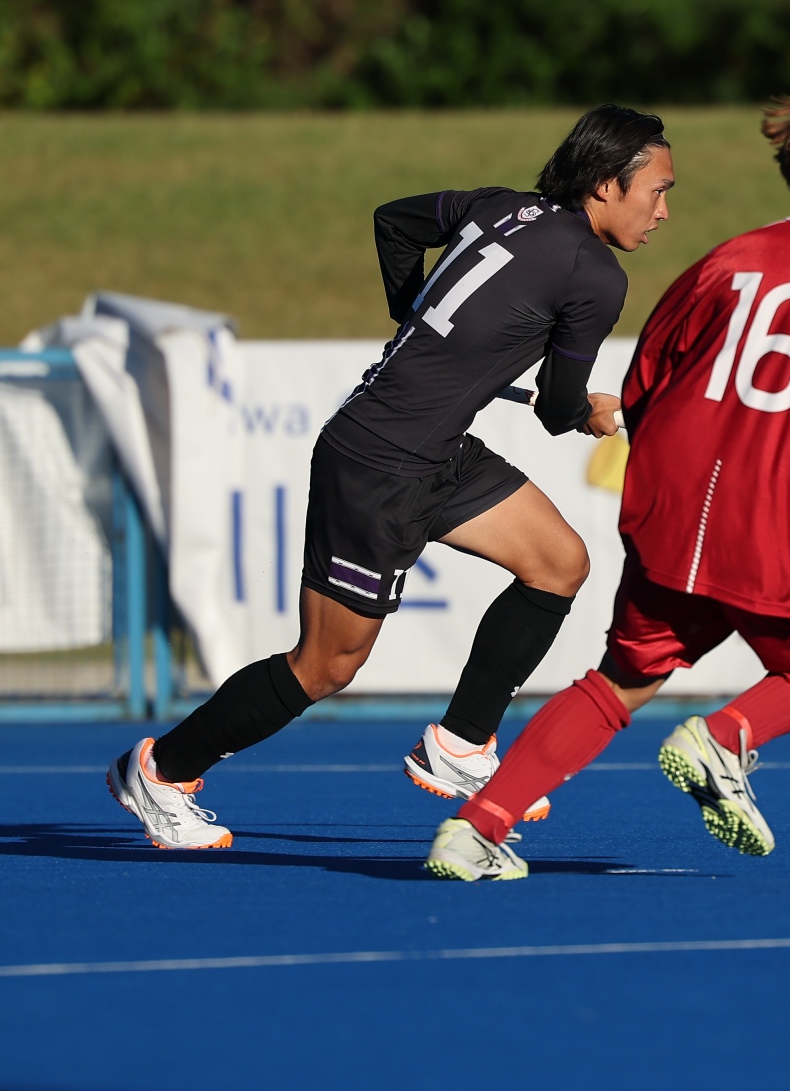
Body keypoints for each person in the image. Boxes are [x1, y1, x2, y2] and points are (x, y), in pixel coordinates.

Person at [425, 88, 790, 881]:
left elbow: (646, 384)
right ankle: (725, 739)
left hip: (669, 509)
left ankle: (475, 829)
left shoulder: (726, 258)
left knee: (624, 679)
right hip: (773, 529)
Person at [107, 106, 674, 848]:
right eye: (657, 191)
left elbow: (395, 222)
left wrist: (414, 313)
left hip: (434, 453)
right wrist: (587, 414)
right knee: (325, 665)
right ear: (605, 184)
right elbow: (555, 406)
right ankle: (162, 770)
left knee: (558, 563)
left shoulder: (498, 205)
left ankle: (460, 743)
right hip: (378, 464)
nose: (663, 212)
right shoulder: (595, 275)